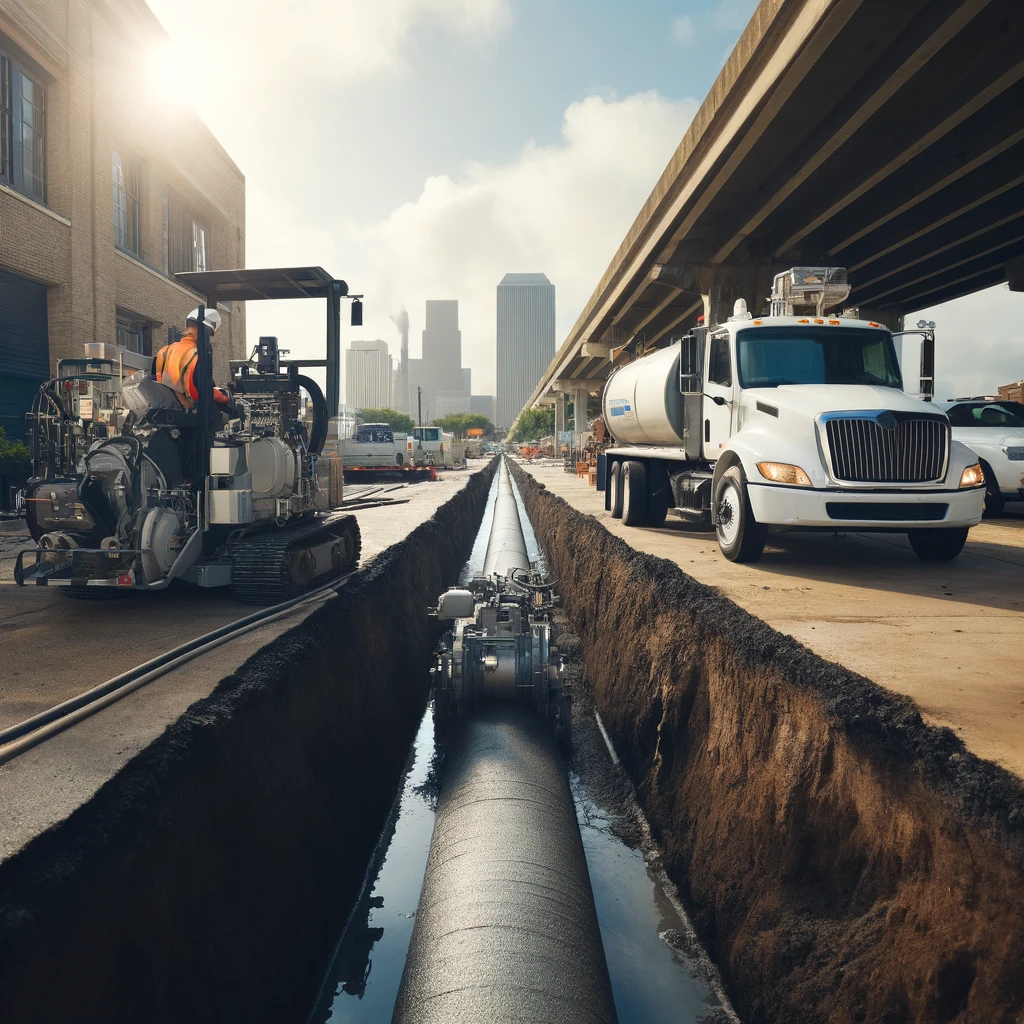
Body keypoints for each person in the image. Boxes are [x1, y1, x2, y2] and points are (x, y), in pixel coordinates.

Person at [155, 307, 231, 409]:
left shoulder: (164, 351)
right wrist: (223, 397)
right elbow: (199, 394)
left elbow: (160, 384)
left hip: (166, 408)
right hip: (190, 414)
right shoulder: (198, 356)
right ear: (206, 332)